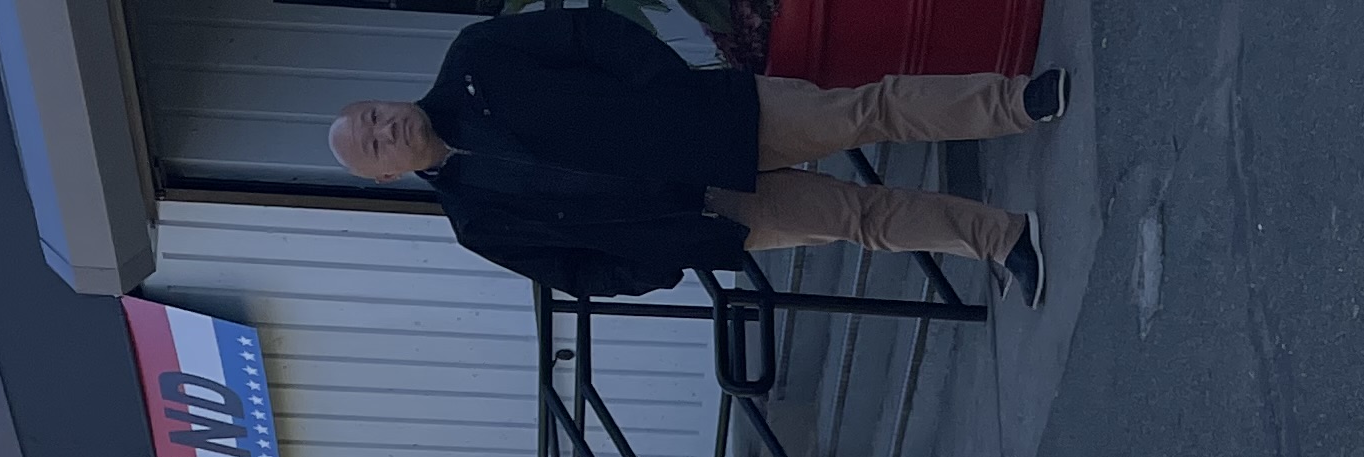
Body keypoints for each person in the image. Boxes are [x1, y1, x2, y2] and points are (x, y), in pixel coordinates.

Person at [329, 11, 1061, 306]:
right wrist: (657, 264)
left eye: (372, 115)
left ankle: (1016, 103)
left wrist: (665, 90)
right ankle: (1005, 239)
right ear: (387, 174)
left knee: (868, 112)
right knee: (859, 221)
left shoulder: (476, 58)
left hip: (710, 121)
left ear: (383, 99)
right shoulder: (478, 221)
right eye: (373, 144)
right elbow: (578, 275)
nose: (384, 128)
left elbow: (593, 35)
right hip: (700, 215)